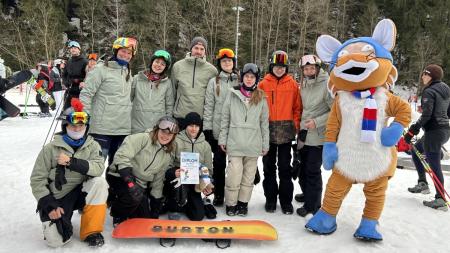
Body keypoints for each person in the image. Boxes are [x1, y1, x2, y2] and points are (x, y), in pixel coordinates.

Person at [30, 98, 107, 247]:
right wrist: (48, 204)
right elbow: (37, 180)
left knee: (99, 182)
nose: (77, 129)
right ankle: (60, 221)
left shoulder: (93, 145)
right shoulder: (50, 149)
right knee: (56, 242)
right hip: (58, 197)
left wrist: (71, 162)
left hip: (81, 192)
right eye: (73, 125)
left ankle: (91, 231)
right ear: (65, 126)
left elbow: (98, 168)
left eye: (81, 125)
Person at [107, 116, 179, 226]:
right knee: (133, 197)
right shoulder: (142, 138)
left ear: (173, 136)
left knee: (145, 218)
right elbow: (121, 156)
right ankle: (117, 213)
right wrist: (129, 181)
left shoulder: (167, 154)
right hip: (121, 175)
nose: (165, 136)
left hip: (140, 184)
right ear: (157, 129)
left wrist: (156, 203)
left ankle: (128, 204)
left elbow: (158, 180)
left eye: (169, 134)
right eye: (163, 132)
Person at [219, 63, 269, 216]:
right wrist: (223, 139)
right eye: (246, 76)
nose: (249, 79)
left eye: (252, 77)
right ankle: (231, 204)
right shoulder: (232, 94)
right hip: (235, 143)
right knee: (234, 175)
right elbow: (225, 118)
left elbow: (264, 123)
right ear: (242, 78)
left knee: (248, 178)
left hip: (253, 145)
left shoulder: (261, 97)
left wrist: (265, 144)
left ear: (256, 79)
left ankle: (242, 203)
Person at [80, 37, 137, 166]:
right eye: (123, 51)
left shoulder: (128, 72)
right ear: (116, 51)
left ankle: (113, 187)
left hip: (122, 129)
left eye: (129, 53)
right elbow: (86, 94)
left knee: (116, 169)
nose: (126, 55)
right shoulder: (100, 69)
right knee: (95, 166)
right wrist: (85, 117)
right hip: (102, 129)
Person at [258, 50, 301, 214]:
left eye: (282, 67)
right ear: (271, 66)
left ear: (286, 68)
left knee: (285, 168)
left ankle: (286, 201)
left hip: (286, 132)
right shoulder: (263, 84)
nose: (279, 69)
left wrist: (295, 125)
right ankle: (270, 199)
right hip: (267, 131)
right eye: (277, 66)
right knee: (268, 168)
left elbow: (297, 108)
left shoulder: (292, 84)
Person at [404, 64, 450, 211]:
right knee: (416, 150)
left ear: (431, 76)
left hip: (434, 132)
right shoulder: (446, 89)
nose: (423, 76)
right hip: (444, 130)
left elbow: (427, 114)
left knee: (433, 164)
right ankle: (423, 183)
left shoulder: (429, 91)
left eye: (425, 74)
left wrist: (413, 130)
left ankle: (440, 199)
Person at [293, 54, 332, 217]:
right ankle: (307, 193)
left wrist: (317, 122)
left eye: (312, 68)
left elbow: (335, 111)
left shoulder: (327, 84)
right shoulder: (304, 84)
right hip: (304, 133)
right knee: (301, 168)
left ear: (317, 68)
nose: (309, 71)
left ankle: (313, 205)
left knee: (312, 170)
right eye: (306, 69)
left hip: (318, 135)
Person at [203, 48, 239, 206]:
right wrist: (208, 129)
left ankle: (234, 193)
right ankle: (218, 194)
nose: (227, 63)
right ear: (220, 64)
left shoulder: (240, 80)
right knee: (219, 164)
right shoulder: (214, 81)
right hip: (218, 130)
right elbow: (209, 106)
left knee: (235, 165)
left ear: (233, 63)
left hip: (236, 129)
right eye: (224, 61)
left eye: (229, 61)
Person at [163, 112, 214, 220]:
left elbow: (208, 169)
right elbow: (167, 164)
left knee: (198, 216)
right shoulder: (176, 141)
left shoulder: (205, 145)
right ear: (186, 126)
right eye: (191, 125)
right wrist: (173, 172)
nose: (193, 129)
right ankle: (174, 205)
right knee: (176, 199)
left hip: (195, 184)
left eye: (196, 126)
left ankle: (190, 203)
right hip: (179, 182)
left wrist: (207, 184)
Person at [171, 36, 218, 128]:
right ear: (191, 49)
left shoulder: (212, 70)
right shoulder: (177, 66)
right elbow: (172, 92)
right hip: (180, 116)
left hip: (200, 117)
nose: (198, 51)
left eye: (202, 49)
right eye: (196, 48)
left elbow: (213, 97)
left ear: (205, 51)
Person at [131, 50, 174, 133]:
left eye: (163, 64)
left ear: (165, 67)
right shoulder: (137, 79)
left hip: (156, 129)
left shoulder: (167, 83)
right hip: (136, 127)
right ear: (152, 62)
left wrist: (166, 125)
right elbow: (129, 99)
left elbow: (169, 106)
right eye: (157, 62)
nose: (159, 65)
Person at [62, 41, 88, 110]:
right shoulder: (69, 62)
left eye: (75, 48)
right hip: (69, 91)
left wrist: (80, 81)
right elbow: (64, 75)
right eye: (71, 48)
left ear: (79, 50)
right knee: (66, 112)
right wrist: (66, 83)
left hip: (79, 92)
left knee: (77, 114)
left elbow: (89, 76)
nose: (73, 49)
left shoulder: (84, 61)